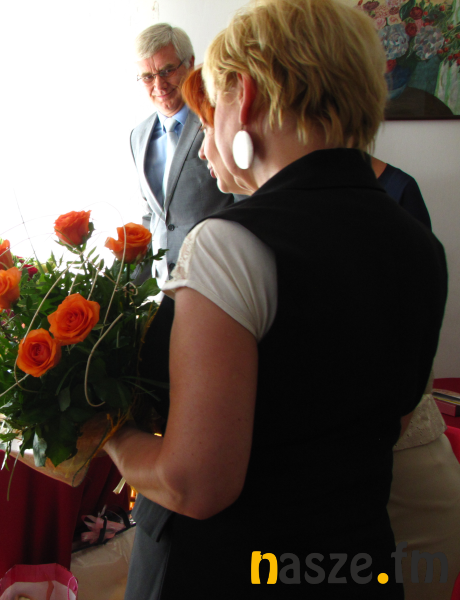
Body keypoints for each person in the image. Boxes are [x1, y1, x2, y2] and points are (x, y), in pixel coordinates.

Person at [104, 1, 448, 598]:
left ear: (246, 97)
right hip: (354, 565)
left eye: (214, 101)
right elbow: (381, 429)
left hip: (236, 571)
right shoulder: (420, 245)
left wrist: (107, 433)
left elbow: (193, 484)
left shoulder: (229, 244)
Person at [187, 62, 460, 600]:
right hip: (330, 505)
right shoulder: (250, 222)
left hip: (398, 482)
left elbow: (398, 346)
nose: (204, 146)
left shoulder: (393, 202)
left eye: (208, 121)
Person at [130, 23, 237, 285]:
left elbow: (244, 200)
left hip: (217, 280)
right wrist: (121, 286)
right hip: (165, 288)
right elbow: (154, 215)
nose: (159, 84)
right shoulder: (138, 136)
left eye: (167, 71)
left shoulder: (218, 120)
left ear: (189, 63)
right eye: (148, 77)